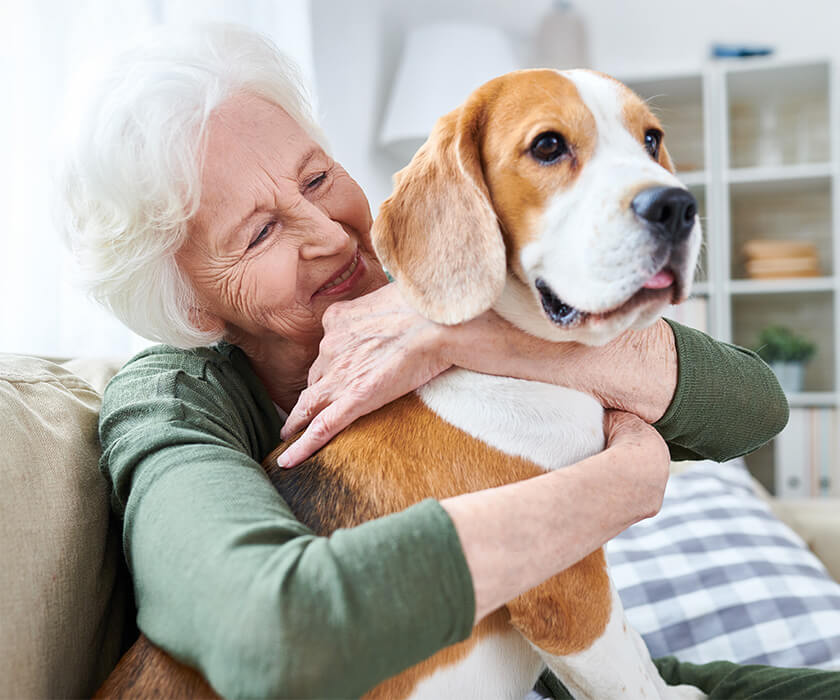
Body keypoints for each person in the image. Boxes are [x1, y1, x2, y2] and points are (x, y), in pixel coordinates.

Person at [61, 22, 835, 700]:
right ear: (192, 299)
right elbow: (269, 633)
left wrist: (459, 331)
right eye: (260, 232)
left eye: (318, 178)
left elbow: (754, 408)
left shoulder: (450, 281)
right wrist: (617, 487)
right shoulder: (168, 398)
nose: (328, 234)